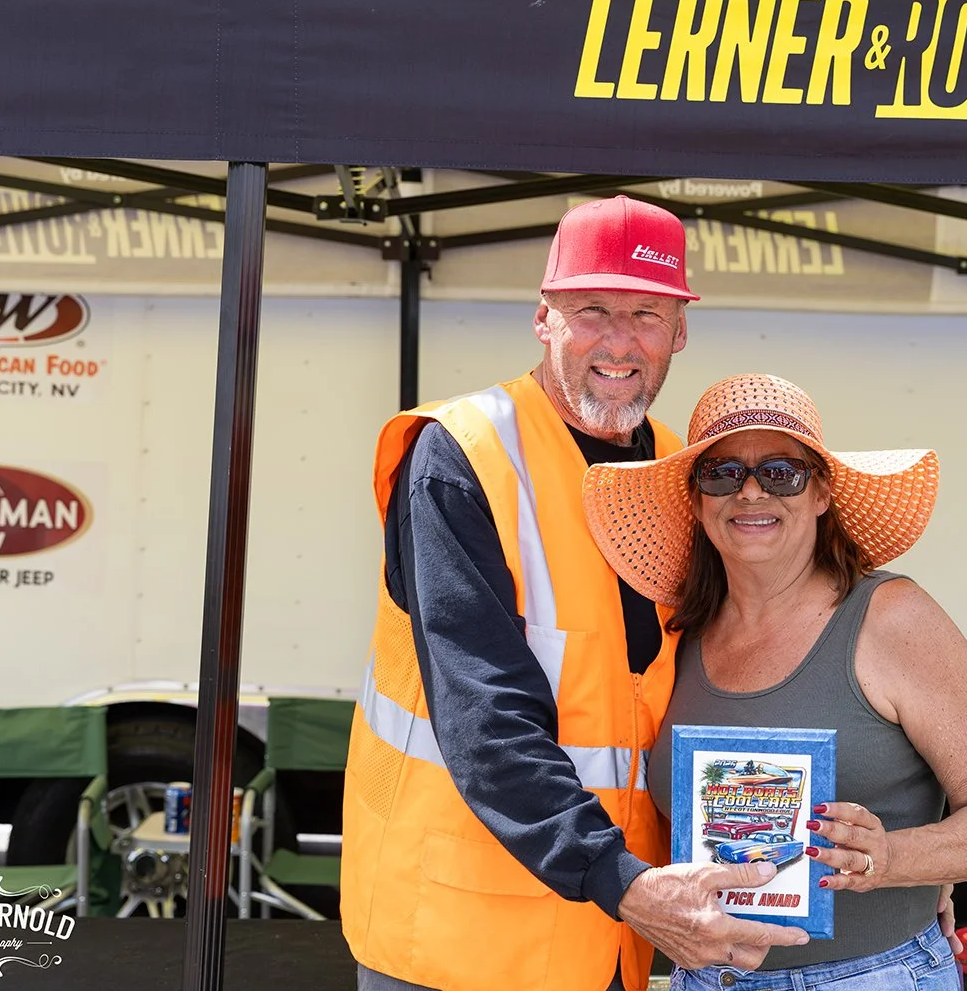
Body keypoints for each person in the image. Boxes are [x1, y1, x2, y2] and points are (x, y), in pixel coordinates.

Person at [338, 197, 816, 991]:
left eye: (647, 314)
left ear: (680, 332)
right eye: (592, 309)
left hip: (614, 935)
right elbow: (485, 713)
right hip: (462, 940)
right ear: (544, 319)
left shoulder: (683, 469)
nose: (620, 342)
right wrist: (621, 881)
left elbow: (751, 660)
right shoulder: (462, 456)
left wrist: (900, 855)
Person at [581, 373, 967, 990]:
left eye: (781, 472)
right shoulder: (675, 635)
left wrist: (894, 860)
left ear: (822, 492)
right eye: (721, 473)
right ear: (696, 499)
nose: (750, 491)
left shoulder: (892, 619)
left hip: (870, 977)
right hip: (707, 976)